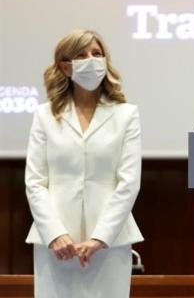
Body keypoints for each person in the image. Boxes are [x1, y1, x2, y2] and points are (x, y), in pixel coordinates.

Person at [25, 29, 144, 298]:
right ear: (66, 66)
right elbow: (35, 182)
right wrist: (54, 233)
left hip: (110, 243)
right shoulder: (44, 116)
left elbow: (128, 183)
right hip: (55, 243)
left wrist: (100, 237)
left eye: (97, 54)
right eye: (81, 54)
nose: (91, 60)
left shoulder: (126, 115)